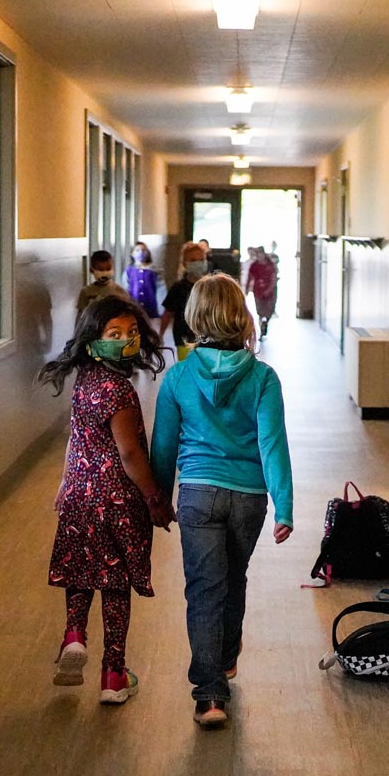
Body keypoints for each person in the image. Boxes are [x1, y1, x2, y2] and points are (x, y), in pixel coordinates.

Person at [150, 274, 293, 728]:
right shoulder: (263, 378)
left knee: (205, 588)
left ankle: (210, 693)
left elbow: (164, 449)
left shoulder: (179, 378)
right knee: (234, 577)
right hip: (249, 499)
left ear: (195, 317)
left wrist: (157, 499)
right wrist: (284, 506)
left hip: (197, 493)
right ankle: (226, 656)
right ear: (241, 314)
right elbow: (273, 445)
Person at [38, 296, 171, 704]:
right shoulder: (120, 392)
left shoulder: (87, 379)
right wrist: (155, 499)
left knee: (81, 570)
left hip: (80, 492)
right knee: (115, 585)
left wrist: (66, 481)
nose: (127, 341)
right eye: (115, 335)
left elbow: (77, 437)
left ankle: (73, 634)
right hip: (117, 500)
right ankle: (113, 675)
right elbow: (130, 454)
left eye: (132, 334)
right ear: (93, 339)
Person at [159, 241, 210, 362]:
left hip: (207, 337)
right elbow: (168, 312)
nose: (198, 263)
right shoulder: (178, 287)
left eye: (201, 259)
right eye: (193, 260)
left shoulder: (210, 286)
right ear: (185, 264)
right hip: (184, 337)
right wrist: (160, 335)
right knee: (187, 367)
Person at [76, 249, 131, 316]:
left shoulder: (120, 292)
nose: (104, 273)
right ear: (91, 270)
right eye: (100, 269)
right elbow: (80, 316)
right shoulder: (86, 292)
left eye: (108, 269)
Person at [244, 246, 278, 338]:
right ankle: (262, 326)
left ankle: (265, 322)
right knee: (260, 310)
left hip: (270, 291)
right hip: (258, 290)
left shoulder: (270, 265)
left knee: (269, 310)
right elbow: (250, 278)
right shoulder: (254, 266)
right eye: (257, 255)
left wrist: (269, 289)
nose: (259, 257)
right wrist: (246, 290)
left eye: (260, 254)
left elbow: (273, 279)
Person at [123, 241, 161, 321]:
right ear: (132, 254)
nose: (141, 252)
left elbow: (160, 290)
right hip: (134, 307)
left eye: (144, 250)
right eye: (137, 250)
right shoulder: (129, 270)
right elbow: (125, 289)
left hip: (151, 307)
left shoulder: (154, 271)